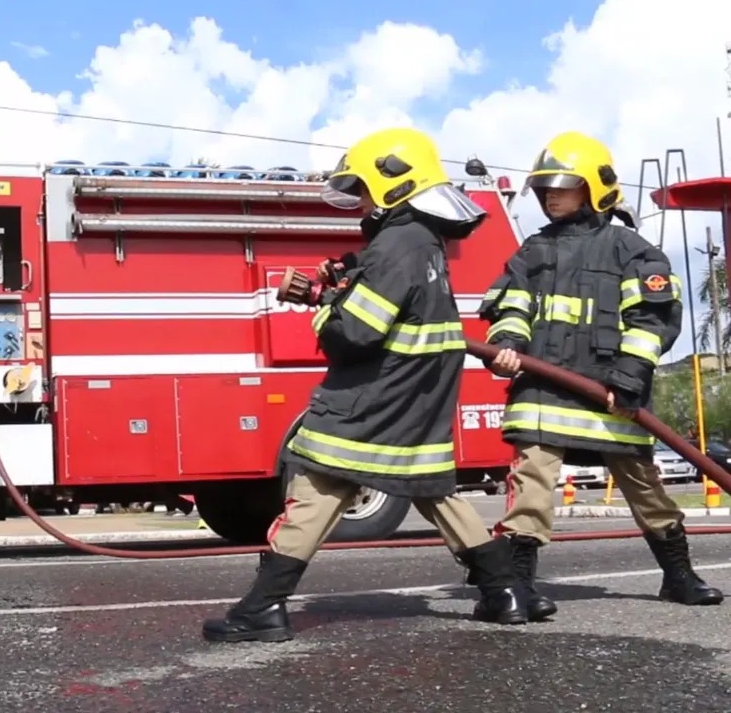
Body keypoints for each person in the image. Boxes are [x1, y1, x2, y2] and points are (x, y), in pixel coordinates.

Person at [201, 127, 530, 644]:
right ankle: (504, 592)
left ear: (394, 183)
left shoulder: (396, 243)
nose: (359, 202)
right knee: (435, 492)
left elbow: (353, 334)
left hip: (372, 400)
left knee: (316, 485)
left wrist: (323, 310)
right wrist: (349, 278)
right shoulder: (424, 242)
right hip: (415, 401)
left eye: (363, 189)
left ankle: (262, 608)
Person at [480, 130, 724, 622]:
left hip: (613, 393)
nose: (550, 196)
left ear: (595, 188)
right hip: (543, 392)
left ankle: (679, 575)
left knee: (644, 487)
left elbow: (652, 322)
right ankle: (519, 587)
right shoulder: (532, 250)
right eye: (544, 188)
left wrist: (627, 379)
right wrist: (507, 345)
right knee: (531, 484)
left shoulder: (632, 251)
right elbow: (511, 307)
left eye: (562, 186)